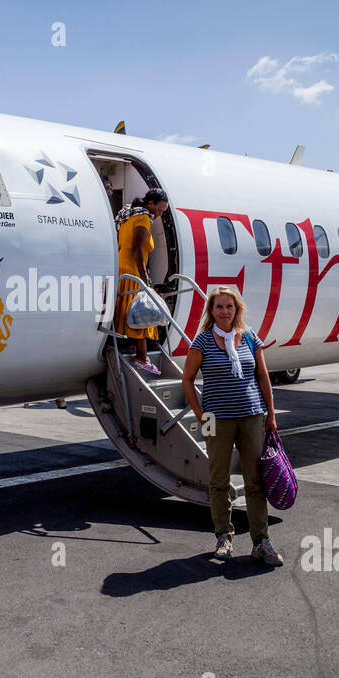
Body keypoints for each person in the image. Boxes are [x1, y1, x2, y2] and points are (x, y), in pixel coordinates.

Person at [180, 286, 282, 566]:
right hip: (216, 420)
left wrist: (270, 415)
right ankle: (223, 536)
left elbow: (263, 377)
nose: (224, 311)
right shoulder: (202, 341)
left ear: (237, 309)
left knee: (255, 480)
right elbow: (187, 379)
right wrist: (200, 414)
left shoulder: (249, 337)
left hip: (252, 417)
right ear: (211, 311)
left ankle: (261, 541)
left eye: (229, 306)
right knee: (219, 480)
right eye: (219, 307)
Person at [113, 189, 170, 375]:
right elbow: (137, 250)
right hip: (132, 270)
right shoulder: (144, 218)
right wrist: (144, 278)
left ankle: (131, 349)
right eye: (160, 210)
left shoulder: (128, 215)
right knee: (143, 312)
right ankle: (142, 356)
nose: (159, 214)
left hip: (122, 268)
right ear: (150, 204)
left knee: (127, 311)